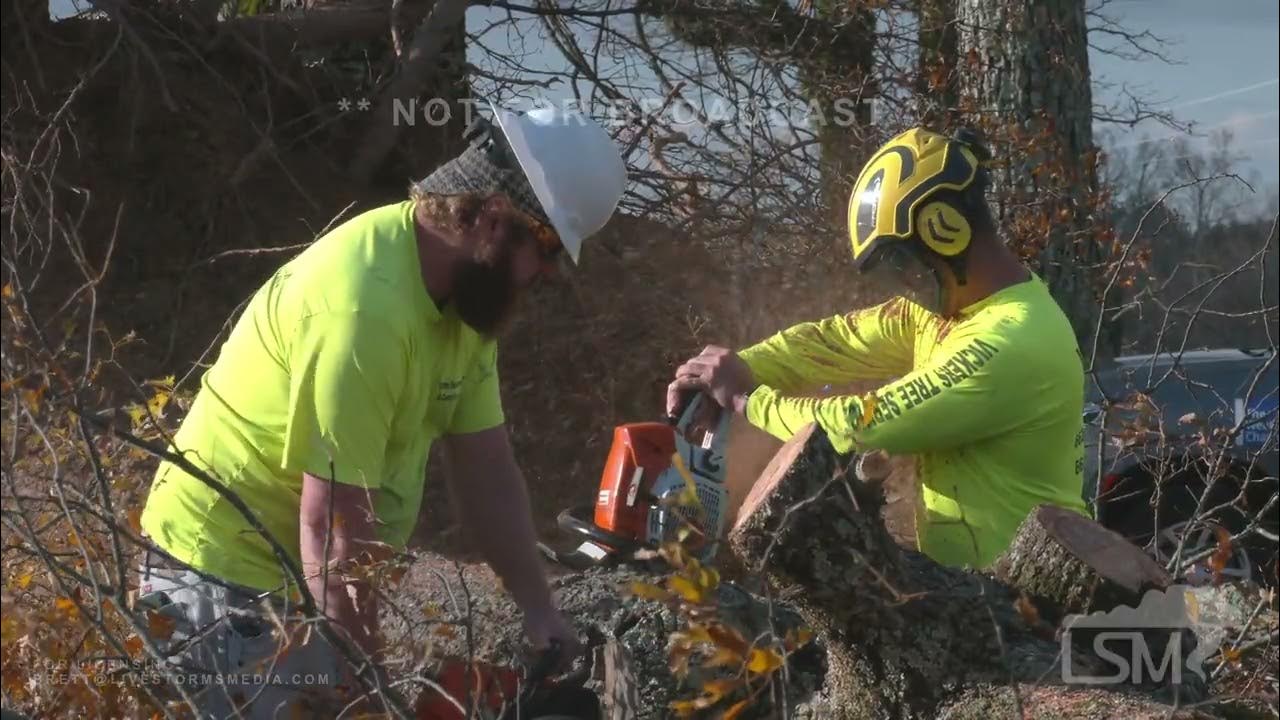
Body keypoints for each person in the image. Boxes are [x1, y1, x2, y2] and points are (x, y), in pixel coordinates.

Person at [134, 102, 627, 718]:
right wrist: (366, 688)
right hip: (222, 577)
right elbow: (335, 528)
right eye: (550, 247)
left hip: (303, 575)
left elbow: (488, 469)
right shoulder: (365, 310)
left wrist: (537, 607)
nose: (549, 273)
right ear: (496, 218)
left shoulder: (466, 300)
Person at [667, 128, 1090, 569]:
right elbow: (833, 341)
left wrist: (745, 399)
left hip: (1025, 604)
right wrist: (734, 369)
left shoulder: (1009, 340)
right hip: (981, 589)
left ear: (943, 229)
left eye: (899, 264)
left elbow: (855, 427)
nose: (902, 287)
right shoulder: (951, 311)